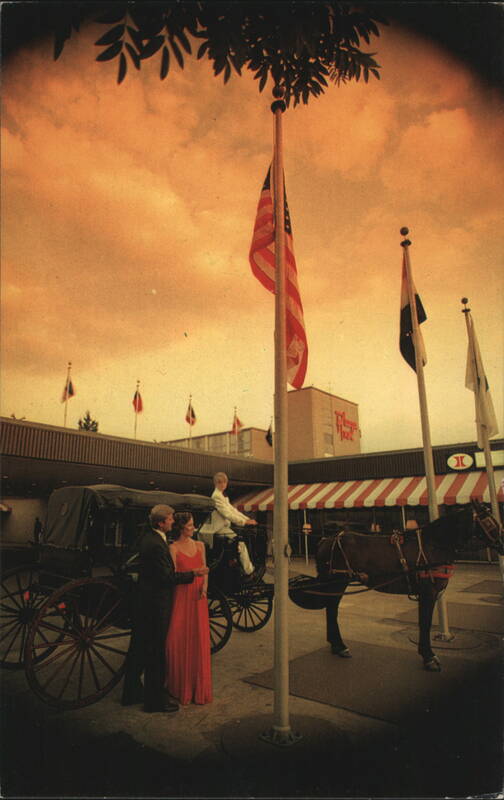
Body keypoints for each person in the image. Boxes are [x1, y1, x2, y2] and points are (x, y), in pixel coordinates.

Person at [121, 504, 208, 713]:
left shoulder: (147, 537)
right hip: (154, 605)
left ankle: (131, 692)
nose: (172, 521)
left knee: (138, 649)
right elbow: (167, 578)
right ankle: (154, 701)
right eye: (170, 519)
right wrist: (194, 574)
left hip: (143, 602)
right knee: (156, 653)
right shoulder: (157, 545)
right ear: (161, 523)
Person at [165, 512, 212, 705]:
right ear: (181, 528)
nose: (193, 528)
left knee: (197, 641)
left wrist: (205, 586)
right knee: (175, 639)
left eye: (193, 525)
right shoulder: (173, 548)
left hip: (197, 597)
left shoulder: (200, 545)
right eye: (190, 525)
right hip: (181, 596)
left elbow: (205, 569)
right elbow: (173, 575)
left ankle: (196, 687)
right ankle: (177, 685)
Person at [199, 471, 257, 576]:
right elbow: (227, 514)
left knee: (239, 544)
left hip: (223, 527)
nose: (223, 485)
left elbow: (233, 510)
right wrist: (244, 522)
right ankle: (249, 571)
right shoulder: (216, 496)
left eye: (225, 482)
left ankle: (244, 569)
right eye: (220, 482)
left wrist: (247, 519)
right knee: (240, 544)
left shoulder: (221, 496)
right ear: (215, 483)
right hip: (218, 529)